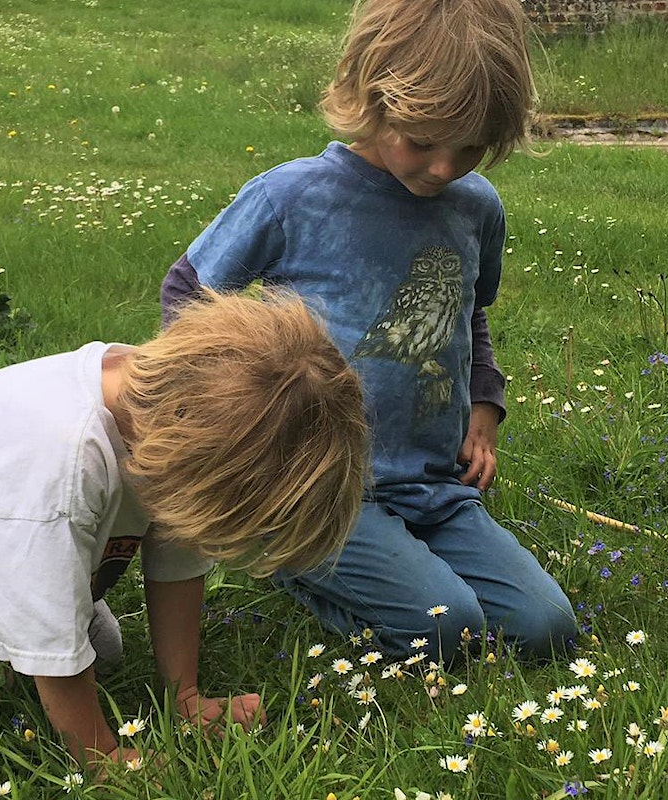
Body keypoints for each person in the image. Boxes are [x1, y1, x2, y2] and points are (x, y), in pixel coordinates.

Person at [0, 288, 369, 772]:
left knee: (99, 651)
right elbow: (46, 636)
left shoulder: (176, 404)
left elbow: (180, 556)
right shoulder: (55, 471)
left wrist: (183, 698)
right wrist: (101, 755)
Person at [162, 0, 576, 663]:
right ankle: (290, 555)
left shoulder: (475, 210)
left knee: (547, 629)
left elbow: (468, 313)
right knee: (446, 628)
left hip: (435, 486)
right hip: (321, 487)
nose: (443, 169)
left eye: (469, 148)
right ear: (370, 95)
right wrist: (224, 431)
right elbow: (187, 292)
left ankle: (401, 566)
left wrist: (485, 404)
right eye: (422, 140)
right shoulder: (290, 198)